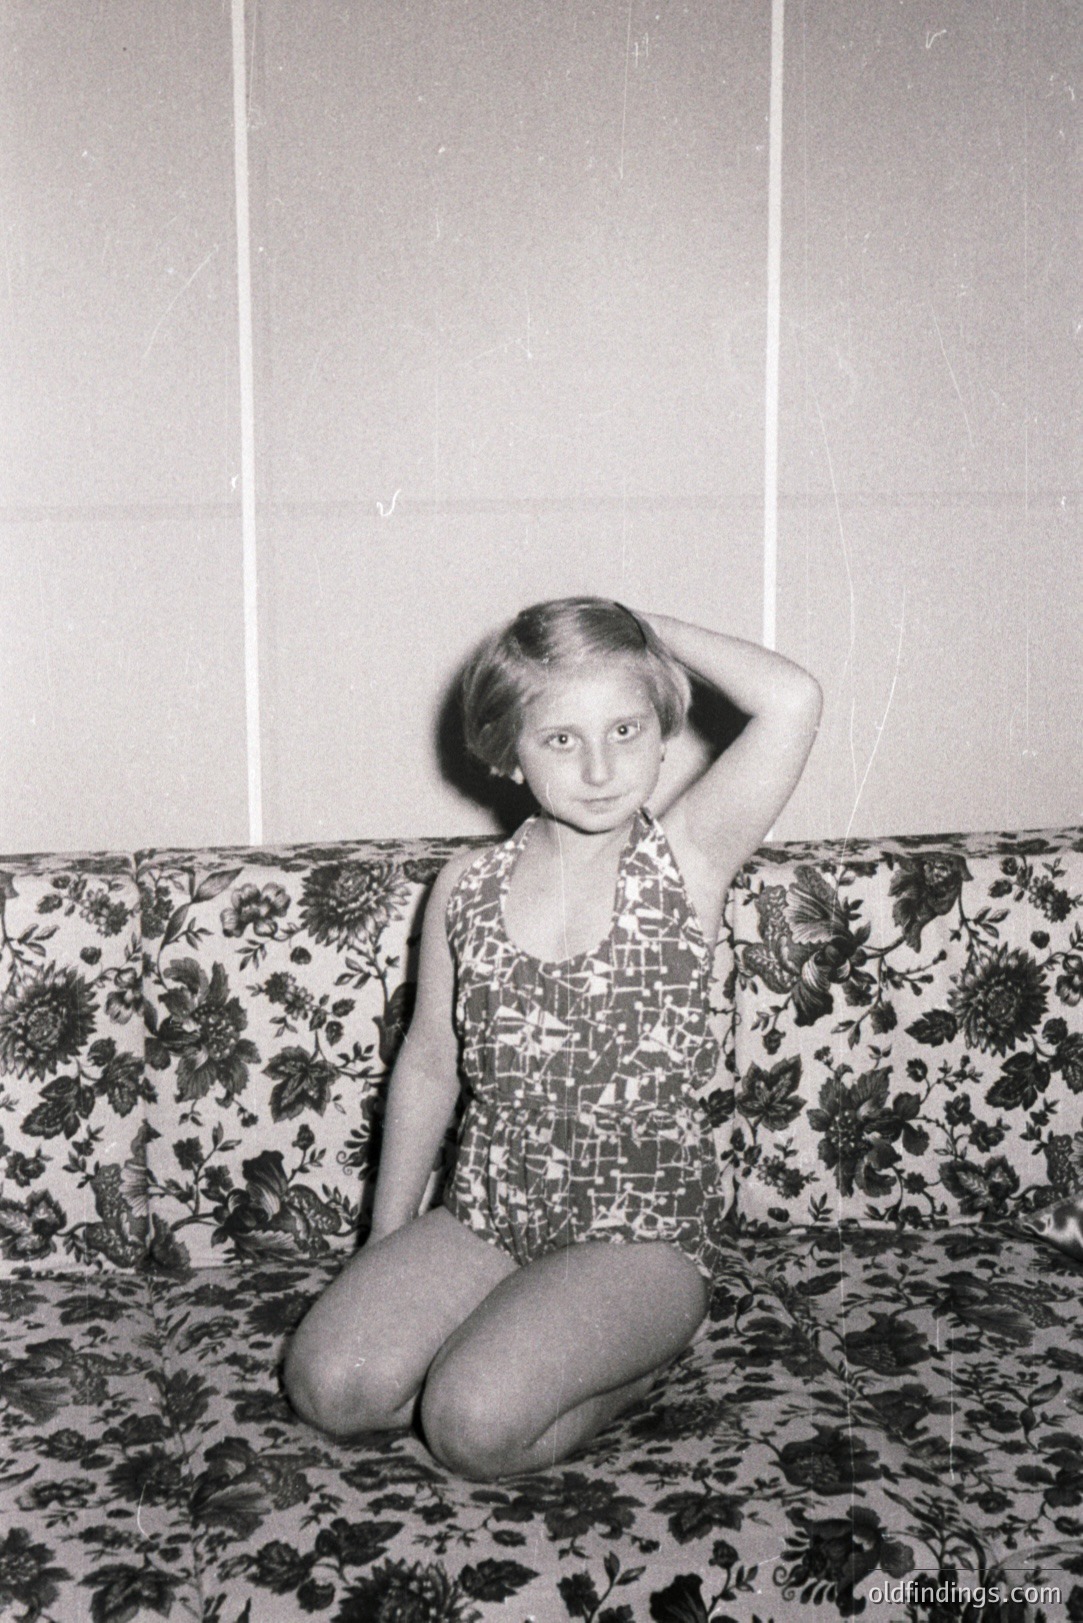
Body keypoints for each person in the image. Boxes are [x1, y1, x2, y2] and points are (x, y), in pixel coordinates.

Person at [283, 597, 821, 1480]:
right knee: (332, 1389)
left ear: (660, 730)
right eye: (561, 738)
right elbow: (428, 1062)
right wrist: (385, 1240)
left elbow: (791, 698)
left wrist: (636, 625)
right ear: (507, 750)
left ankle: (635, 1364)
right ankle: (524, 1324)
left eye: (626, 727)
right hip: (492, 1211)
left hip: (640, 1237)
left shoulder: (688, 858)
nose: (602, 767)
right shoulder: (465, 885)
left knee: (467, 1426)